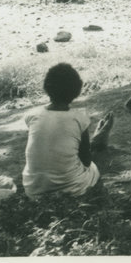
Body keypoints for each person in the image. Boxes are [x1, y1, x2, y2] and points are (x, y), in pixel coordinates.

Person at [22, 63, 113, 197]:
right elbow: (86, 160)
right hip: (71, 189)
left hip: (33, 189)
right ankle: (98, 143)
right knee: (94, 168)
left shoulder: (31, 115)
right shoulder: (79, 119)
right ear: (76, 91)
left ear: (47, 87)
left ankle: (97, 141)